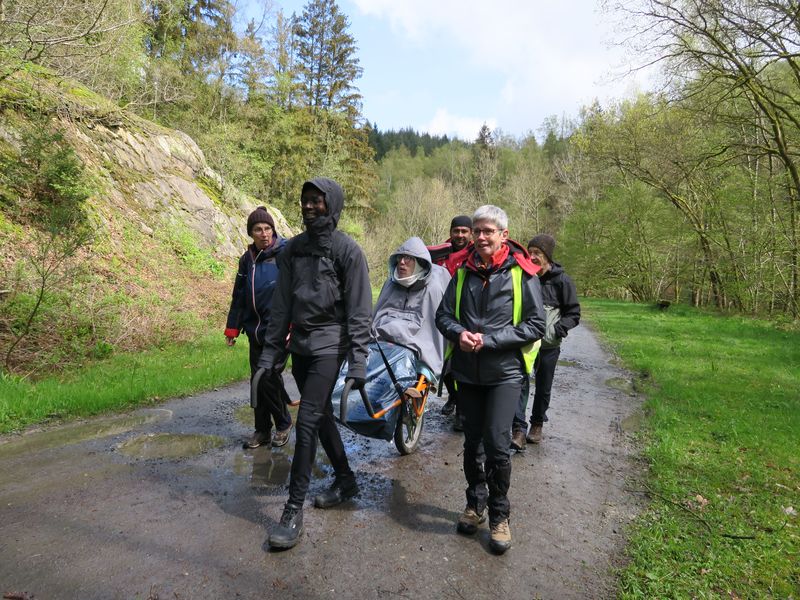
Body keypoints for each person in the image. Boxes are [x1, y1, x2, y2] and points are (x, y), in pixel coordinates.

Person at [256, 178, 372, 550]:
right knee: (320, 416)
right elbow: (281, 308)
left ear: (332, 206)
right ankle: (345, 478)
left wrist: (358, 362)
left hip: (330, 344)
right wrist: (270, 355)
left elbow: (358, 311)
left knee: (306, 421)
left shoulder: (347, 251)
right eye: (305, 201)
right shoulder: (292, 251)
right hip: (301, 346)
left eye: (317, 202)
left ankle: (293, 509)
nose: (308, 206)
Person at [435, 205, 545, 555]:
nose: (481, 237)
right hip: (468, 374)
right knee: (472, 445)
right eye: (478, 231)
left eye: (488, 231)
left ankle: (500, 515)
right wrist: (460, 333)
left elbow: (535, 325)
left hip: (504, 375)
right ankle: (475, 504)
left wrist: (489, 340)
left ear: (503, 235)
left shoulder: (523, 275)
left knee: (498, 447)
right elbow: (442, 316)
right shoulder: (462, 273)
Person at [224, 206, 293, 449]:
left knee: (267, 378)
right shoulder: (247, 259)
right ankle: (262, 430)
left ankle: (283, 423)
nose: (264, 234)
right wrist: (232, 328)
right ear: (251, 233)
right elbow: (239, 295)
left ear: (273, 230)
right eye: (258, 230)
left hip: (280, 331)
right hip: (255, 331)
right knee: (258, 379)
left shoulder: (285, 254)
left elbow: (298, 290)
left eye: (267, 228)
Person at [511, 234, 581, 448]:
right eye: (529, 252)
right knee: (519, 385)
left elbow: (573, 313)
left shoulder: (562, 280)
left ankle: (537, 424)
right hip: (523, 344)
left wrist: (557, 330)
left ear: (547, 257)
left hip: (549, 346)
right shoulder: (522, 276)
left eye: (537, 254)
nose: (532, 257)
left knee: (543, 387)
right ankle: (519, 431)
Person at [373, 237, 451, 379]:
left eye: (408, 258)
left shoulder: (433, 288)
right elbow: (376, 318)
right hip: (380, 346)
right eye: (400, 257)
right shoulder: (390, 284)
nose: (402, 262)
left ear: (420, 263)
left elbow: (431, 335)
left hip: (409, 352)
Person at [427, 216, 474, 422]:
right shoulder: (438, 253)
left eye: (464, 231)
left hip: (466, 316)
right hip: (440, 314)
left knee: (462, 364)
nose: (460, 235)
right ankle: (453, 397)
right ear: (451, 232)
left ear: (471, 233)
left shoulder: (475, 254)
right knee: (442, 362)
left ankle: (463, 410)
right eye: (456, 231)